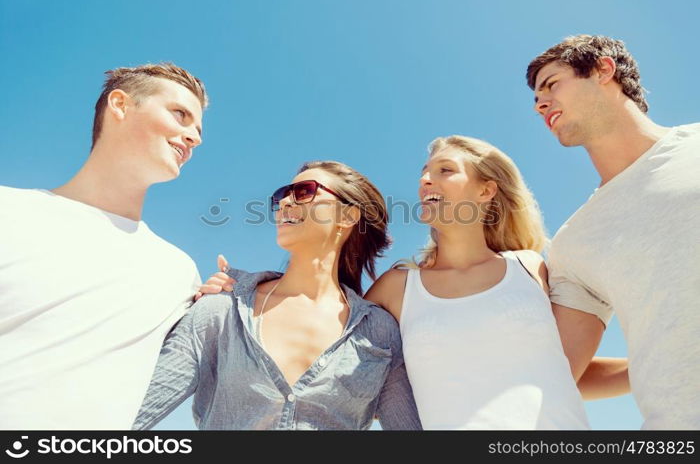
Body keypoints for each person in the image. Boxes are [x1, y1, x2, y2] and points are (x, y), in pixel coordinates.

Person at [205, 138, 627, 430]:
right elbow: (328, 344)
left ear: (486, 190)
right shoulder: (397, 288)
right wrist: (245, 292)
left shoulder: (531, 268)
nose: (426, 179)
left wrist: (649, 369)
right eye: (424, 172)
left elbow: (559, 372)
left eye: (445, 170)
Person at [133, 161, 421, 430]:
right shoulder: (220, 310)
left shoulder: (379, 334)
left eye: (303, 192)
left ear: (347, 215)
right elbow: (128, 416)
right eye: (282, 195)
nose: (284, 202)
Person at [0, 63, 208, 429]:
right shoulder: (9, 210)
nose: (194, 137)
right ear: (120, 105)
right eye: (180, 114)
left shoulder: (179, 273)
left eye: (197, 127)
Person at [527, 34, 700, 429]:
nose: (539, 104)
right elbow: (555, 373)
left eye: (552, 84)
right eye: (537, 98)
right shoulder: (573, 242)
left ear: (604, 69)